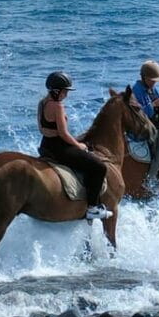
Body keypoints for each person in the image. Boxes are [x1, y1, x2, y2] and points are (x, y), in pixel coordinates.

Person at [37, 71, 112, 220]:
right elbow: (64, 134)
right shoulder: (58, 106)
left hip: (45, 145)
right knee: (99, 167)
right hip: (59, 148)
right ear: (57, 90)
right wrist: (79, 145)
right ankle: (92, 208)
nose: (66, 94)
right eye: (65, 91)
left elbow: (41, 128)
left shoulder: (42, 103)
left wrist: (54, 135)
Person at [132, 60, 159, 188]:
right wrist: (154, 105)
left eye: (155, 81)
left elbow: (157, 102)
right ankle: (150, 180)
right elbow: (141, 113)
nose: (154, 82)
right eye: (152, 80)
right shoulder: (137, 90)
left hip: (153, 123)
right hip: (143, 125)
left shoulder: (151, 88)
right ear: (144, 77)